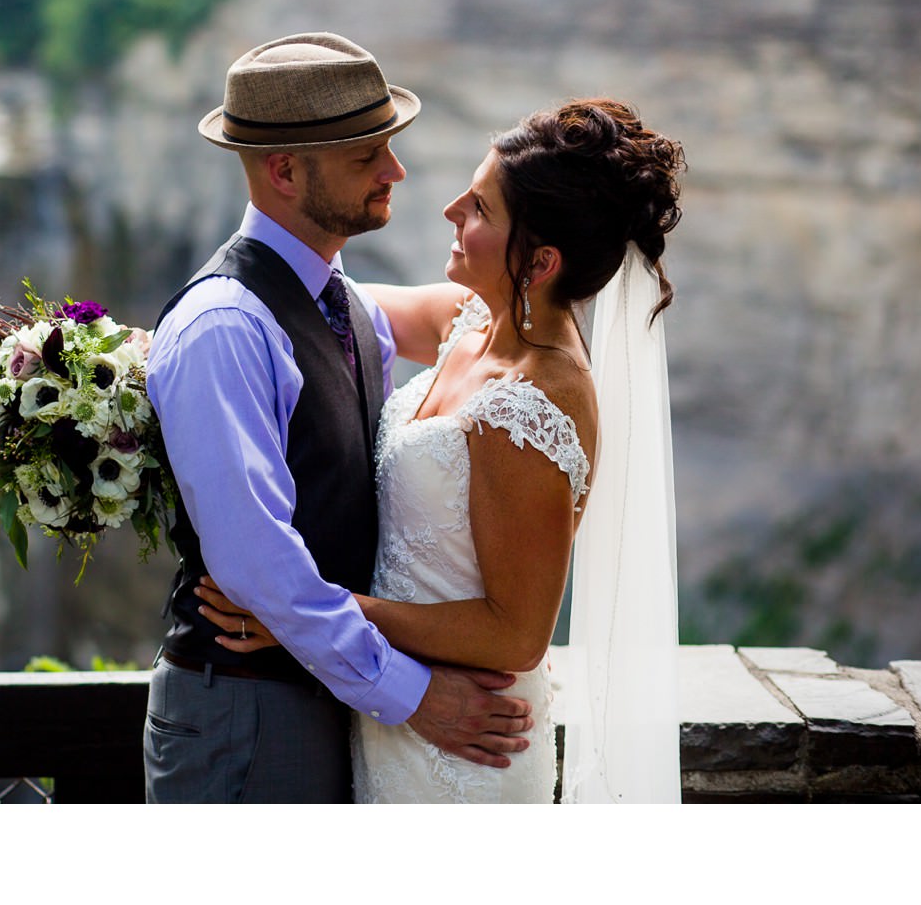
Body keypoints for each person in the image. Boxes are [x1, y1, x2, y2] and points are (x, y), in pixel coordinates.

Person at [197, 96, 686, 803]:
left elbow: (516, 634)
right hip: (393, 716)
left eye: (481, 208)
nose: (452, 210)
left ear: (541, 261)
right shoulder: (471, 322)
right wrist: (170, 347)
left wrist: (310, 614)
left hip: (470, 739)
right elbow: (311, 304)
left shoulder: (529, 402)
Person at [142, 31, 536, 805]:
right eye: (367, 156)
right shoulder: (223, 326)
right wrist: (415, 692)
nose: (397, 170)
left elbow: (461, 320)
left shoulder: (347, 303)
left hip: (325, 697)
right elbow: (257, 569)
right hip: (245, 712)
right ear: (284, 170)